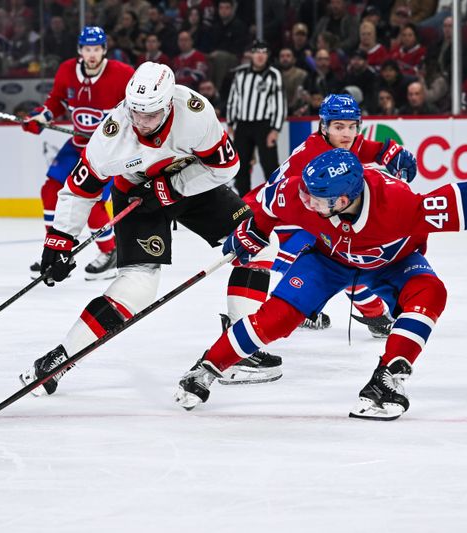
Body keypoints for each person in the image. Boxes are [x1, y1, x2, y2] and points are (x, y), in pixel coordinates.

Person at [174, 148, 467, 419]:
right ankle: (206, 368)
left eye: (317, 200)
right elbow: (267, 206)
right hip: (328, 261)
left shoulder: (400, 206)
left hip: (392, 262)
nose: (307, 204)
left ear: (343, 199)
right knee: (277, 318)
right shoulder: (302, 193)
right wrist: (251, 232)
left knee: (431, 292)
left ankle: (387, 378)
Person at [18, 62, 283, 396]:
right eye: (136, 113)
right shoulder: (112, 134)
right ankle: (58, 360)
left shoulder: (195, 112)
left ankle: (238, 347)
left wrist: (172, 187)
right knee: (138, 286)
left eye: (151, 115)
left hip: (192, 185)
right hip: (136, 196)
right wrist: (58, 241)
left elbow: (227, 166)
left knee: (259, 240)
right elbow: (79, 189)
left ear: (169, 104)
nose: (141, 122)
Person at [243, 93, 418, 332]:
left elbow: (366, 148)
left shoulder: (339, 142)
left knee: (345, 254)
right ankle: (367, 315)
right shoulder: (312, 156)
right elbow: (274, 199)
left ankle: (373, 315)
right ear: (323, 127)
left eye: (352, 126)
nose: (346, 134)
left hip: (296, 218)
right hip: (272, 222)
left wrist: (391, 152)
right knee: (339, 258)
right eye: (338, 126)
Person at [21, 26, 134, 280]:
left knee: (92, 202)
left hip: (107, 151)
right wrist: (41, 117)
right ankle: (55, 251)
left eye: (96, 49)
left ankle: (110, 251)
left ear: (104, 50)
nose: (92, 54)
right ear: (79, 50)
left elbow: (136, 109)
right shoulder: (66, 70)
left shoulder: (123, 74)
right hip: (77, 143)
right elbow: (57, 101)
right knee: (49, 191)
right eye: (87, 49)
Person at [225, 39, 286, 196]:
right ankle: (245, 201)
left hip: (264, 126)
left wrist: (275, 129)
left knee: (270, 165)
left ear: (268, 56)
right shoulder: (241, 74)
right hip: (243, 125)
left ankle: (273, 199)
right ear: (251, 54)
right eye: (257, 52)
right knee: (241, 166)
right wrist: (231, 123)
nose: (260, 56)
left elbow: (279, 103)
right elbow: (233, 99)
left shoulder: (273, 75)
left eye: (264, 52)